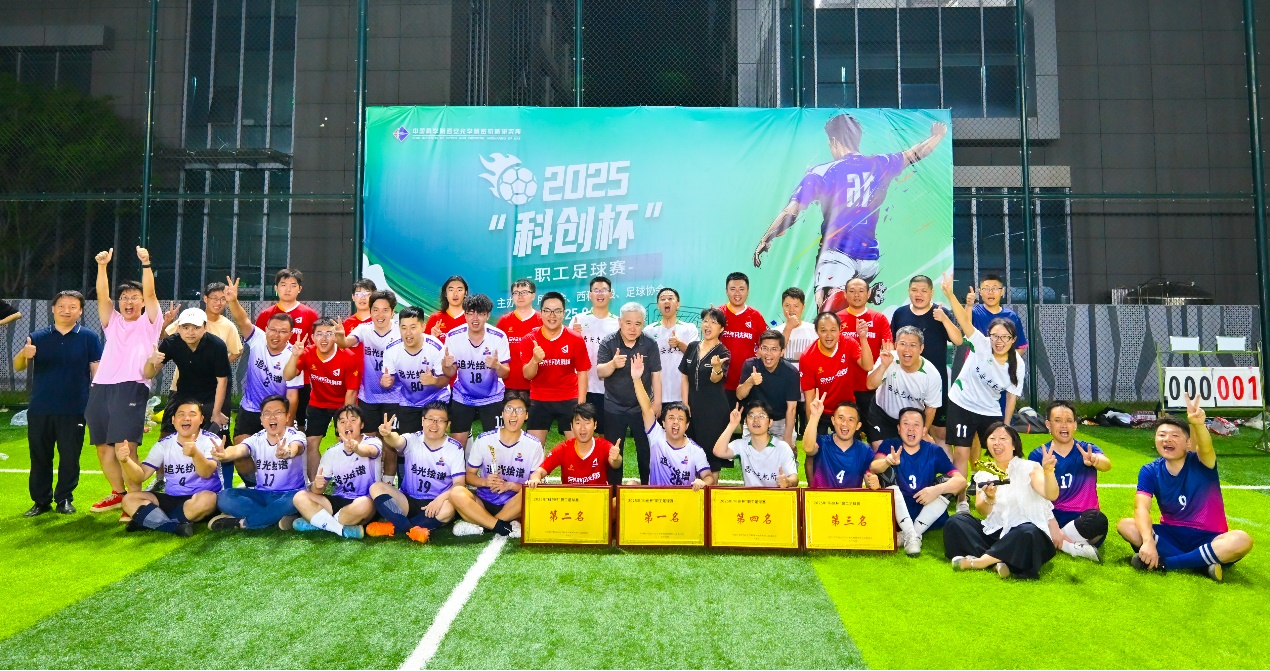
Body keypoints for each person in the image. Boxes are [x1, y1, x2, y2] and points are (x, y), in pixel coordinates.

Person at [753, 115, 947, 309]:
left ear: (833, 141)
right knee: (851, 313)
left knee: (826, 310)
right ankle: (864, 293)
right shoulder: (880, 164)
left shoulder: (821, 172)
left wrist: (766, 238)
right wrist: (937, 136)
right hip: (870, 258)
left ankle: (846, 293)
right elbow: (914, 154)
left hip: (837, 255)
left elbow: (791, 211)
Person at [1117, 396, 1255, 581]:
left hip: (1210, 537)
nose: (1167, 439)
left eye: (1175, 436)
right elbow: (1141, 508)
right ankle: (1203, 563)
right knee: (1126, 525)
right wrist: (1148, 541)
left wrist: (1197, 424)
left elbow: (1206, 447)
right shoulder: (1150, 470)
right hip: (1171, 534)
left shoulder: (1202, 462)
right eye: (1162, 435)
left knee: (1242, 540)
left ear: (1188, 443)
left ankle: (1167, 563)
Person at [85, 247, 167, 515]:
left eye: (134, 297)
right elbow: (102, 296)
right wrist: (102, 266)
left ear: (142, 302)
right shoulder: (113, 322)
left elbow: (152, 293)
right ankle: (118, 495)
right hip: (101, 387)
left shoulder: (150, 322)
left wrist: (146, 263)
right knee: (102, 448)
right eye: (124, 298)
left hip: (131, 386)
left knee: (125, 447)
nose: (128, 302)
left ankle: (134, 498)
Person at [940, 274, 1025, 514]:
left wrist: (1005, 426)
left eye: (1005, 337)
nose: (999, 341)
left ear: (1013, 340)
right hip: (962, 403)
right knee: (962, 451)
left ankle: (998, 498)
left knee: (1000, 450)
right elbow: (964, 321)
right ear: (989, 336)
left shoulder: (1017, 364)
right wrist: (950, 294)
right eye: (995, 336)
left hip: (989, 409)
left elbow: (1011, 396)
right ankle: (961, 500)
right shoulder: (981, 343)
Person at [14, 290, 102, 516]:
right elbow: (18, 366)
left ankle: (64, 498)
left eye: (73, 306)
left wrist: (98, 400)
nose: (66, 310)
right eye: (62, 306)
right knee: (40, 456)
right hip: (41, 408)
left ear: (80, 311)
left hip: (75, 409)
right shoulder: (37, 336)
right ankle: (41, 501)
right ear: (53, 309)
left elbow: (96, 370)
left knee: (70, 457)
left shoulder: (89, 337)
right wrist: (24, 354)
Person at [944, 423, 1058, 579]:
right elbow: (982, 510)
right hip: (996, 532)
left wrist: (1049, 472)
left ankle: (980, 562)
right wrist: (990, 498)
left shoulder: (1030, 467)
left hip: (1026, 536)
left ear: (1014, 445)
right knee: (956, 522)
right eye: (992, 439)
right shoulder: (984, 474)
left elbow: (1050, 494)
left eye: (1003, 439)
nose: (997, 443)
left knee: (1028, 532)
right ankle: (1000, 562)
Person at [224, 277, 302, 486]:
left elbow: (292, 396)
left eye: (283, 331)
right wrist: (233, 301)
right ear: (265, 329)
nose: (276, 335)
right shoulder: (257, 338)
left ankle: (280, 485)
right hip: (251, 408)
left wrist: (288, 424)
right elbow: (242, 320)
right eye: (273, 330)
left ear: (290, 334)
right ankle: (253, 485)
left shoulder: (294, 356)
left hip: (277, 412)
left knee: (278, 452)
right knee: (240, 451)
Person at [115, 400, 221, 536]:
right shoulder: (164, 444)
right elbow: (140, 476)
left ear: (201, 419)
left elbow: (206, 472)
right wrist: (126, 461)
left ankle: (151, 520)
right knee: (129, 499)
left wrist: (195, 454)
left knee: (209, 499)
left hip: (200, 497)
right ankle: (174, 527)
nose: (186, 418)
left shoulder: (211, 440)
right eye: (181, 414)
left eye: (192, 414)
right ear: (173, 420)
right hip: (171, 498)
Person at [870, 407, 966, 556]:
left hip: (926, 510)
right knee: (884, 470)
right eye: (906, 424)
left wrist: (936, 490)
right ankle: (912, 534)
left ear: (923, 430)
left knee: (948, 482)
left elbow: (961, 481)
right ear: (898, 428)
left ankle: (910, 534)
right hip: (898, 512)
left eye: (916, 424)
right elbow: (874, 467)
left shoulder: (933, 450)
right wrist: (887, 461)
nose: (911, 429)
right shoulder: (890, 445)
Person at [366, 402, 466, 542]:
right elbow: (397, 441)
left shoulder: (454, 448)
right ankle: (412, 529)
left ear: (448, 424)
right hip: (408, 500)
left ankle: (395, 527)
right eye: (430, 419)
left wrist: (439, 500)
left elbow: (459, 484)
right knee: (376, 487)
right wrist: (388, 435)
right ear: (422, 420)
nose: (434, 424)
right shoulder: (412, 439)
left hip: (436, 503)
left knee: (448, 509)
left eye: (440, 421)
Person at [207, 395, 308, 530]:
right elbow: (239, 449)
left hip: (290, 494)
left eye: (278, 412)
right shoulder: (257, 438)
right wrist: (225, 454)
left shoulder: (296, 435)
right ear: (261, 419)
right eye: (267, 413)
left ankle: (242, 523)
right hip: (261, 494)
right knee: (224, 497)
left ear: (287, 417)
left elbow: (296, 447)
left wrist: (288, 452)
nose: (272, 417)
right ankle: (276, 517)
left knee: (297, 500)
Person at [449, 397, 543, 538]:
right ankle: (502, 525)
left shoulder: (534, 445)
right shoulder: (484, 439)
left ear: (526, 415)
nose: (514, 414)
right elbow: (469, 476)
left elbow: (534, 484)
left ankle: (484, 525)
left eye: (519, 410)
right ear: (502, 413)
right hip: (483, 502)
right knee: (456, 493)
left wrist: (511, 486)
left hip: (513, 505)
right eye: (509, 409)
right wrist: (485, 482)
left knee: (531, 493)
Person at [1028, 401, 1109, 563]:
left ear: (1075, 425)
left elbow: (1106, 464)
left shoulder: (1087, 449)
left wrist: (1094, 460)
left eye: (1069, 420)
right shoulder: (1038, 455)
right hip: (1052, 516)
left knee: (1098, 521)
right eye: (1058, 420)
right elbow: (1037, 495)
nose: (1064, 425)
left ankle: (1055, 541)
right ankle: (1070, 546)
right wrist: (1047, 469)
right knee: (1028, 525)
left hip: (1083, 518)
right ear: (1048, 425)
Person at [799, 312, 873, 485]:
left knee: (855, 449)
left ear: (840, 330)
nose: (829, 335)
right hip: (820, 410)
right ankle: (812, 490)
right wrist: (813, 423)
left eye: (833, 330)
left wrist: (863, 338)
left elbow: (868, 365)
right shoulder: (808, 357)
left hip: (845, 409)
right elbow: (810, 398)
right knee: (812, 451)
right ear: (816, 331)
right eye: (823, 330)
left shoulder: (849, 343)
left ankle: (854, 487)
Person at [283, 318, 361, 480]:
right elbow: (288, 375)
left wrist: (346, 418)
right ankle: (314, 483)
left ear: (336, 337)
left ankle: (344, 481)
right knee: (311, 441)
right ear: (312, 337)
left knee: (345, 441)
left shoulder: (349, 356)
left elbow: (351, 391)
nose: (324, 338)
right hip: (317, 403)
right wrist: (294, 356)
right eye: (319, 334)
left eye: (329, 334)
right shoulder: (307, 352)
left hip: (342, 404)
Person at [889, 275, 963, 446]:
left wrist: (944, 319)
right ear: (908, 291)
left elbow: (958, 340)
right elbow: (892, 346)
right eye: (914, 290)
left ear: (932, 293)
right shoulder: (900, 313)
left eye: (923, 291)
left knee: (940, 432)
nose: (919, 294)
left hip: (935, 382)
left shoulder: (941, 312)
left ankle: (944, 465)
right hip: (905, 382)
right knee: (904, 428)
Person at [380, 306, 450, 478]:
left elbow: (445, 380)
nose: (408, 333)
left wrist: (433, 381)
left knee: (432, 440)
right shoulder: (392, 350)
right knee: (405, 444)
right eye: (403, 328)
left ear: (423, 327)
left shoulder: (435, 347)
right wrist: (386, 382)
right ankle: (406, 483)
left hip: (436, 398)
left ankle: (436, 479)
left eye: (413, 327)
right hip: (409, 400)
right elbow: (388, 379)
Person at [291, 405, 380, 539]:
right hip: (339, 500)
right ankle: (339, 529)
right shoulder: (331, 452)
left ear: (362, 425)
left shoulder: (373, 442)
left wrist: (357, 448)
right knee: (299, 497)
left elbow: (370, 451)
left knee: (364, 504)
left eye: (353, 420)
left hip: (364, 501)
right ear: (337, 428)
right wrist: (317, 485)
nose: (347, 424)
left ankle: (318, 522)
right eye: (342, 421)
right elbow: (318, 491)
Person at [597, 302, 662, 485]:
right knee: (614, 451)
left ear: (643, 324)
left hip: (642, 408)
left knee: (646, 451)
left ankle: (648, 489)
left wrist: (657, 402)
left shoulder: (650, 343)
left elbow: (656, 374)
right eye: (628, 323)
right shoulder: (609, 342)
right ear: (620, 322)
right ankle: (614, 492)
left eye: (637, 324)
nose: (633, 328)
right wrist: (613, 364)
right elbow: (600, 372)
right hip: (614, 407)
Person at [146, 308, 231, 438]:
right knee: (167, 437)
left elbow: (222, 381)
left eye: (196, 327)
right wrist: (150, 361)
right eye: (185, 327)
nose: (190, 332)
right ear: (178, 328)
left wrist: (216, 412)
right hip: (184, 394)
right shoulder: (171, 343)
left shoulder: (217, 345)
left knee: (216, 440)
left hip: (213, 396)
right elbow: (149, 374)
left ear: (205, 327)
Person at [630, 354, 713, 489]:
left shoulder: (695, 450)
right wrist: (637, 379)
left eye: (680, 419)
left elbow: (709, 476)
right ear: (663, 423)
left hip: (682, 501)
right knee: (631, 485)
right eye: (671, 418)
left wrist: (703, 482)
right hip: (657, 498)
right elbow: (646, 409)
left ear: (687, 425)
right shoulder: (657, 436)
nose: (675, 422)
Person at [161, 282, 242, 417]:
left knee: (212, 425)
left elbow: (237, 351)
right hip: (181, 387)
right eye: (214, 298)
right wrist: (165, 324)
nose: (218, 303)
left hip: (211, 389)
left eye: (223, 299)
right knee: (173, 425)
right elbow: (164, 336)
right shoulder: (189, 319)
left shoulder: (228, 326)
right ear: (205, 299)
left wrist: (215, 366)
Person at [255, 268, 322, 430]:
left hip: (300, 376)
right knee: (269, 419)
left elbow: (316, 345)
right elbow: (259, 345)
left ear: (299, 289)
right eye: (283, 285)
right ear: (276, 288)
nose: (287, 289)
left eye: (293, 285)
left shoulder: (309, 314)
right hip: (271, 376)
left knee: (300, 424)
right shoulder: (265, 314)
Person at [442, 293, 511, 447]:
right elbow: (450, 373)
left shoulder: (499, 336)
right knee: (457, 444)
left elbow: (505, 373)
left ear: (487, 316)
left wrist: (497, 366)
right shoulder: (453, 336)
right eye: (470, 313)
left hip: (492, 395)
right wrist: (446, 365)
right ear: (465, 315)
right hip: (463, 395)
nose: (475, 318)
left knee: (495, 444)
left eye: (480, 313)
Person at [523, 292, 590, 443]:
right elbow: (527, 375)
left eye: (557, 311)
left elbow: (582, 372)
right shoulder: (530, 339)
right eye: (547, 310)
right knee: (534, 448)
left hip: (569, 398)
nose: (552, 315)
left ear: (564, 313)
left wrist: (581, 405)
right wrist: (535, 360)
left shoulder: (575, 339)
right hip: (540, 398)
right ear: (541, 313)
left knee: (578, 447)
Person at [335, 289, 402, 437]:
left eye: (385, 310)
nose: (380, 315)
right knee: (369, 439)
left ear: (392, 312)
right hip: (368, 397)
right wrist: (340, 337)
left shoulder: (400, 331)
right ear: (370, 311)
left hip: (395, 397)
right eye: (376, 310)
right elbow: (345, 343)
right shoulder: (364, 329)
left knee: (389, 442)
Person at [865, 326, 943, 447]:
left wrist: (923, 430)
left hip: (911, 421)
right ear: (896, 345)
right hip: (882, 415)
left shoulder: (932, 375)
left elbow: (931, 408)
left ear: (921, 348)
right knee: (881, 452)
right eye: (903, 344)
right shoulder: (887, 358)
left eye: (913, 345)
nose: (907, 350)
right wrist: (884, 366)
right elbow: (870, 385)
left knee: (924, 450)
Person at [833, 277, 893, 433]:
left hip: (871, 387)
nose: (856, 295)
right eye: (852, 291)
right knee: (847, 433)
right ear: (845, 294)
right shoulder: (836, 320)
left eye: (861, 291)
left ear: (868, 293)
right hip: (844, 387)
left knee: (874, 434)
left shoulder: (879, 319)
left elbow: (889, 348)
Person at [680, 307, 732, 474]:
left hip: (713, 411)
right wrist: (685, 404)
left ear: (721, 329)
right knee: (690, 452)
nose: (708, 325)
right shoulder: (692, 346)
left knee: (711, 457)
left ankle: (711, 488)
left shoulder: (723, 352)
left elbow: (716, 379)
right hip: (692, 408)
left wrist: (716, 368)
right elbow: (684, 377)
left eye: (713, 322)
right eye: (705, 321)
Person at [569, 276, 619, 434]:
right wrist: (574, 336)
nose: (600, 294)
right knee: (582, 430)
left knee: (605, 432)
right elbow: (567, 351)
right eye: (596, 290)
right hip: (583, 385)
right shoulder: (578, 319)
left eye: (604, 290)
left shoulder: (618, 323)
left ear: (611, 294)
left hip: (607, 387)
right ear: (590, 294)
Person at [526, 404, 621, 487]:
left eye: (587, 423)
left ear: (595, 425)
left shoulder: (603, 445)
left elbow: (616, 464)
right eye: (578, 423)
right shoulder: (563, 449)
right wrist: (535, 479)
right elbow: (539, 471)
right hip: (571, 500)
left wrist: (616, 459)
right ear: (571, 426)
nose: (583, 428)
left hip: (598, 498)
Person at [736, 330, 801, 448]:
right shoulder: (750, 365)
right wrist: (750, 381)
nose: (768, 354)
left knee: (787, 456)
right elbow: (740, 395)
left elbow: (791, 409)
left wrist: (787, 438)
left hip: (780, 421)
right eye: (764, 348)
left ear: (782, 352)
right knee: (750, 456)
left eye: (774, 349)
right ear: (759, 349)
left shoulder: (791, 372)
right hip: (754, 418)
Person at [713, 401, 799, 488]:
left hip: (775, 495)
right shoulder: (742, 445)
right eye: (751, 416)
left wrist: (788, 482)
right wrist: (732, 424)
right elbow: (718, 452)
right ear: (746, 422)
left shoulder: (782, 447)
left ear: (770, 422)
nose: (756, 420)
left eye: (761, 416)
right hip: (751, 496)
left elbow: (794, 478)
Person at [802, 392, 878, 490]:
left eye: (851, 420)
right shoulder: (822, 443)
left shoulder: (864, 451)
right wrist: (814, 416)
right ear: (833, 420)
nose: (844, 423)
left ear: (858, 425)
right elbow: (808, 448)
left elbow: (870, 481)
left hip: (850, 499)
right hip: (821, 498)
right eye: (841, 418)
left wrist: (874, 484)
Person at [718, 272, 766, 409]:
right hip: (722, 383)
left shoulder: (756, 316)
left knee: (749, 419)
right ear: (726, 291)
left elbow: (765, 345)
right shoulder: (718, 314)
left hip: (748, 382)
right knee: (724, 421)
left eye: (741, 289)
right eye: (733, 289)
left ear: (748, 291)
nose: (737, 293)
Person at [643, 287, 697, 406]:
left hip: (682, 394)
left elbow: (696, 356)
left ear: (678, 304)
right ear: (658, 305)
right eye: (663, 299)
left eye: (670, 298)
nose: (666, 301)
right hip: (657, 395)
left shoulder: (689, 328)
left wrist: (679, 344)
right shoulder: (648, 331)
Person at [496, 278, 542, 403]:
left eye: (524, 292)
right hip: (509, 385)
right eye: (516, 293)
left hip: (536, 385)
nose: (520, 296)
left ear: (533, 295)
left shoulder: (542, 320)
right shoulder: (504, 321)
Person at [425, 275, 469, 342]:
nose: (455, 294)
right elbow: (424, 345)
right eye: (451, 290)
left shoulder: (471, 319)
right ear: (445, 293)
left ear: (465, 293)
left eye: (459, 290)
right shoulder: (435, 318)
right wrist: (432, 337)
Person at [343, 278, 377, 351]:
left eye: (367, 294)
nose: (362, 298)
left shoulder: (379, 321)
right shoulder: (347, 323)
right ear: (353, 297)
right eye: (358, 294)